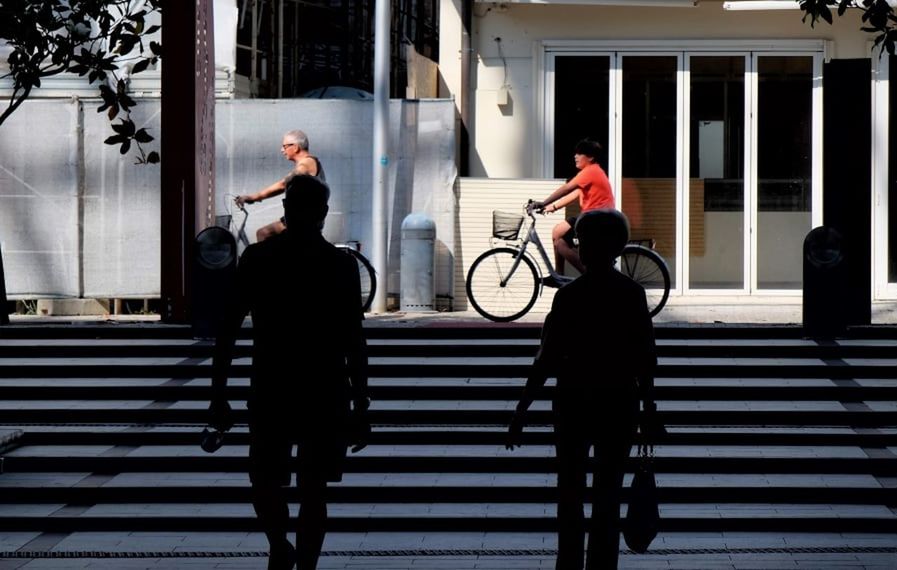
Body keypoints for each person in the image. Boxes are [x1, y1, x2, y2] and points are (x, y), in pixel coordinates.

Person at [209, 174, 369, 570]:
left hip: (272, 384)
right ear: (324, 214)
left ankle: (279, 544)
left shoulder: (260, 260)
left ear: (285, 211)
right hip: (325, 387)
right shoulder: (340, 267)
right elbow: (354, 340)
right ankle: (305, 566)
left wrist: (218, 393)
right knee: (314, 490)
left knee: (264, 480)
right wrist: (362, 403)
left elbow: (228, 330)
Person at [506, 209, 660, 570]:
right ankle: (603, 565)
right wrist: (649, 408)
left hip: (573, 402)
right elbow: (645, 358)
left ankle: (570, 563)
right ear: (618, 248)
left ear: (586, 249)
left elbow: (546, 359)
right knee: (609, 492)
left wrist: (522, 409)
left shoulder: (570, 297)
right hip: (619, 403)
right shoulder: (631, 295)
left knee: (570, 490)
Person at [534, 138, 615, 277]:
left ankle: (589, 275)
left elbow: (566, 188)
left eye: (579, 153)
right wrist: (552, 207)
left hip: (596, 218)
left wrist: (543, 202)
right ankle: (559, 274)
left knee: (560, 244)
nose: (575, 156)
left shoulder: (591, 171)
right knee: (557, 232)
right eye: (575, 153)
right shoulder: (592, 171)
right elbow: (576, 193)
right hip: (592, 216)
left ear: (590, 157)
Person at [235, 129, 327, 242]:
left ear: (296, 147)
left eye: (284, 146)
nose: (282, 150)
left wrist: (253, 197)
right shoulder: (309, 163)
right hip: (304, 219)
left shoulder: (306, 163)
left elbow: (284, 184)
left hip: (304, 221)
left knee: (263, 234)